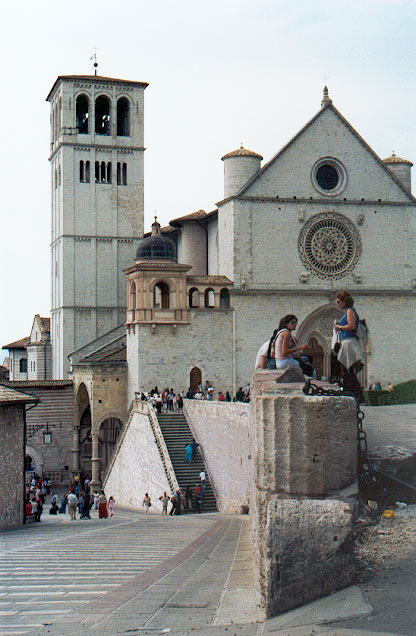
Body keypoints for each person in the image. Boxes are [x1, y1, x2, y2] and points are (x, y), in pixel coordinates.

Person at [333, 291, 365, 402]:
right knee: (348, 369)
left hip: (349, 342)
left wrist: (339, 327)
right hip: (347, 342)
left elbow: (351, 326)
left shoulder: (350, 310)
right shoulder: (348, 311)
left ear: (344, 301)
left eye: (338, 302)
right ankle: (354, 394)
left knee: (348, 369)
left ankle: (355, 394)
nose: (337, 304)